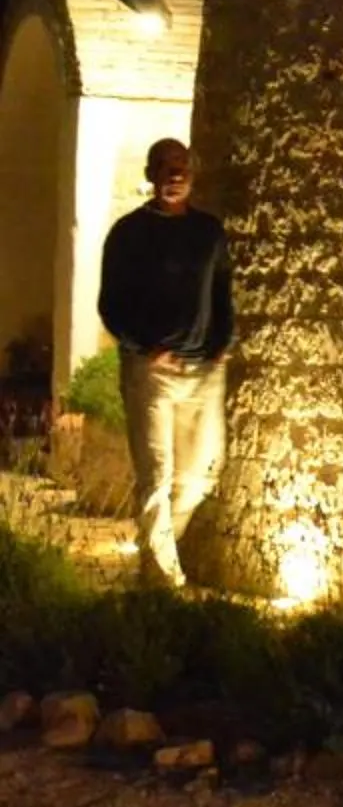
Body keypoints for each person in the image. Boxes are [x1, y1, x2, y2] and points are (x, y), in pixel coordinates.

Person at [96, 138, 234, 589]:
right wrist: (143, 345)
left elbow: (222, 292)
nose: (174, 174)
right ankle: (162, 582)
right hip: (151, 369)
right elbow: (110, 303)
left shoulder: (209, 233)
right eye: (165, 166)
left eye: (181, 166)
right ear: (150, 175)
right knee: (156, 474)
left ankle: (155, 557)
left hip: (203, 373)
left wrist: (221, 343)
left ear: (192, 173)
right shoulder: (129, 233)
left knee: (198, 477)